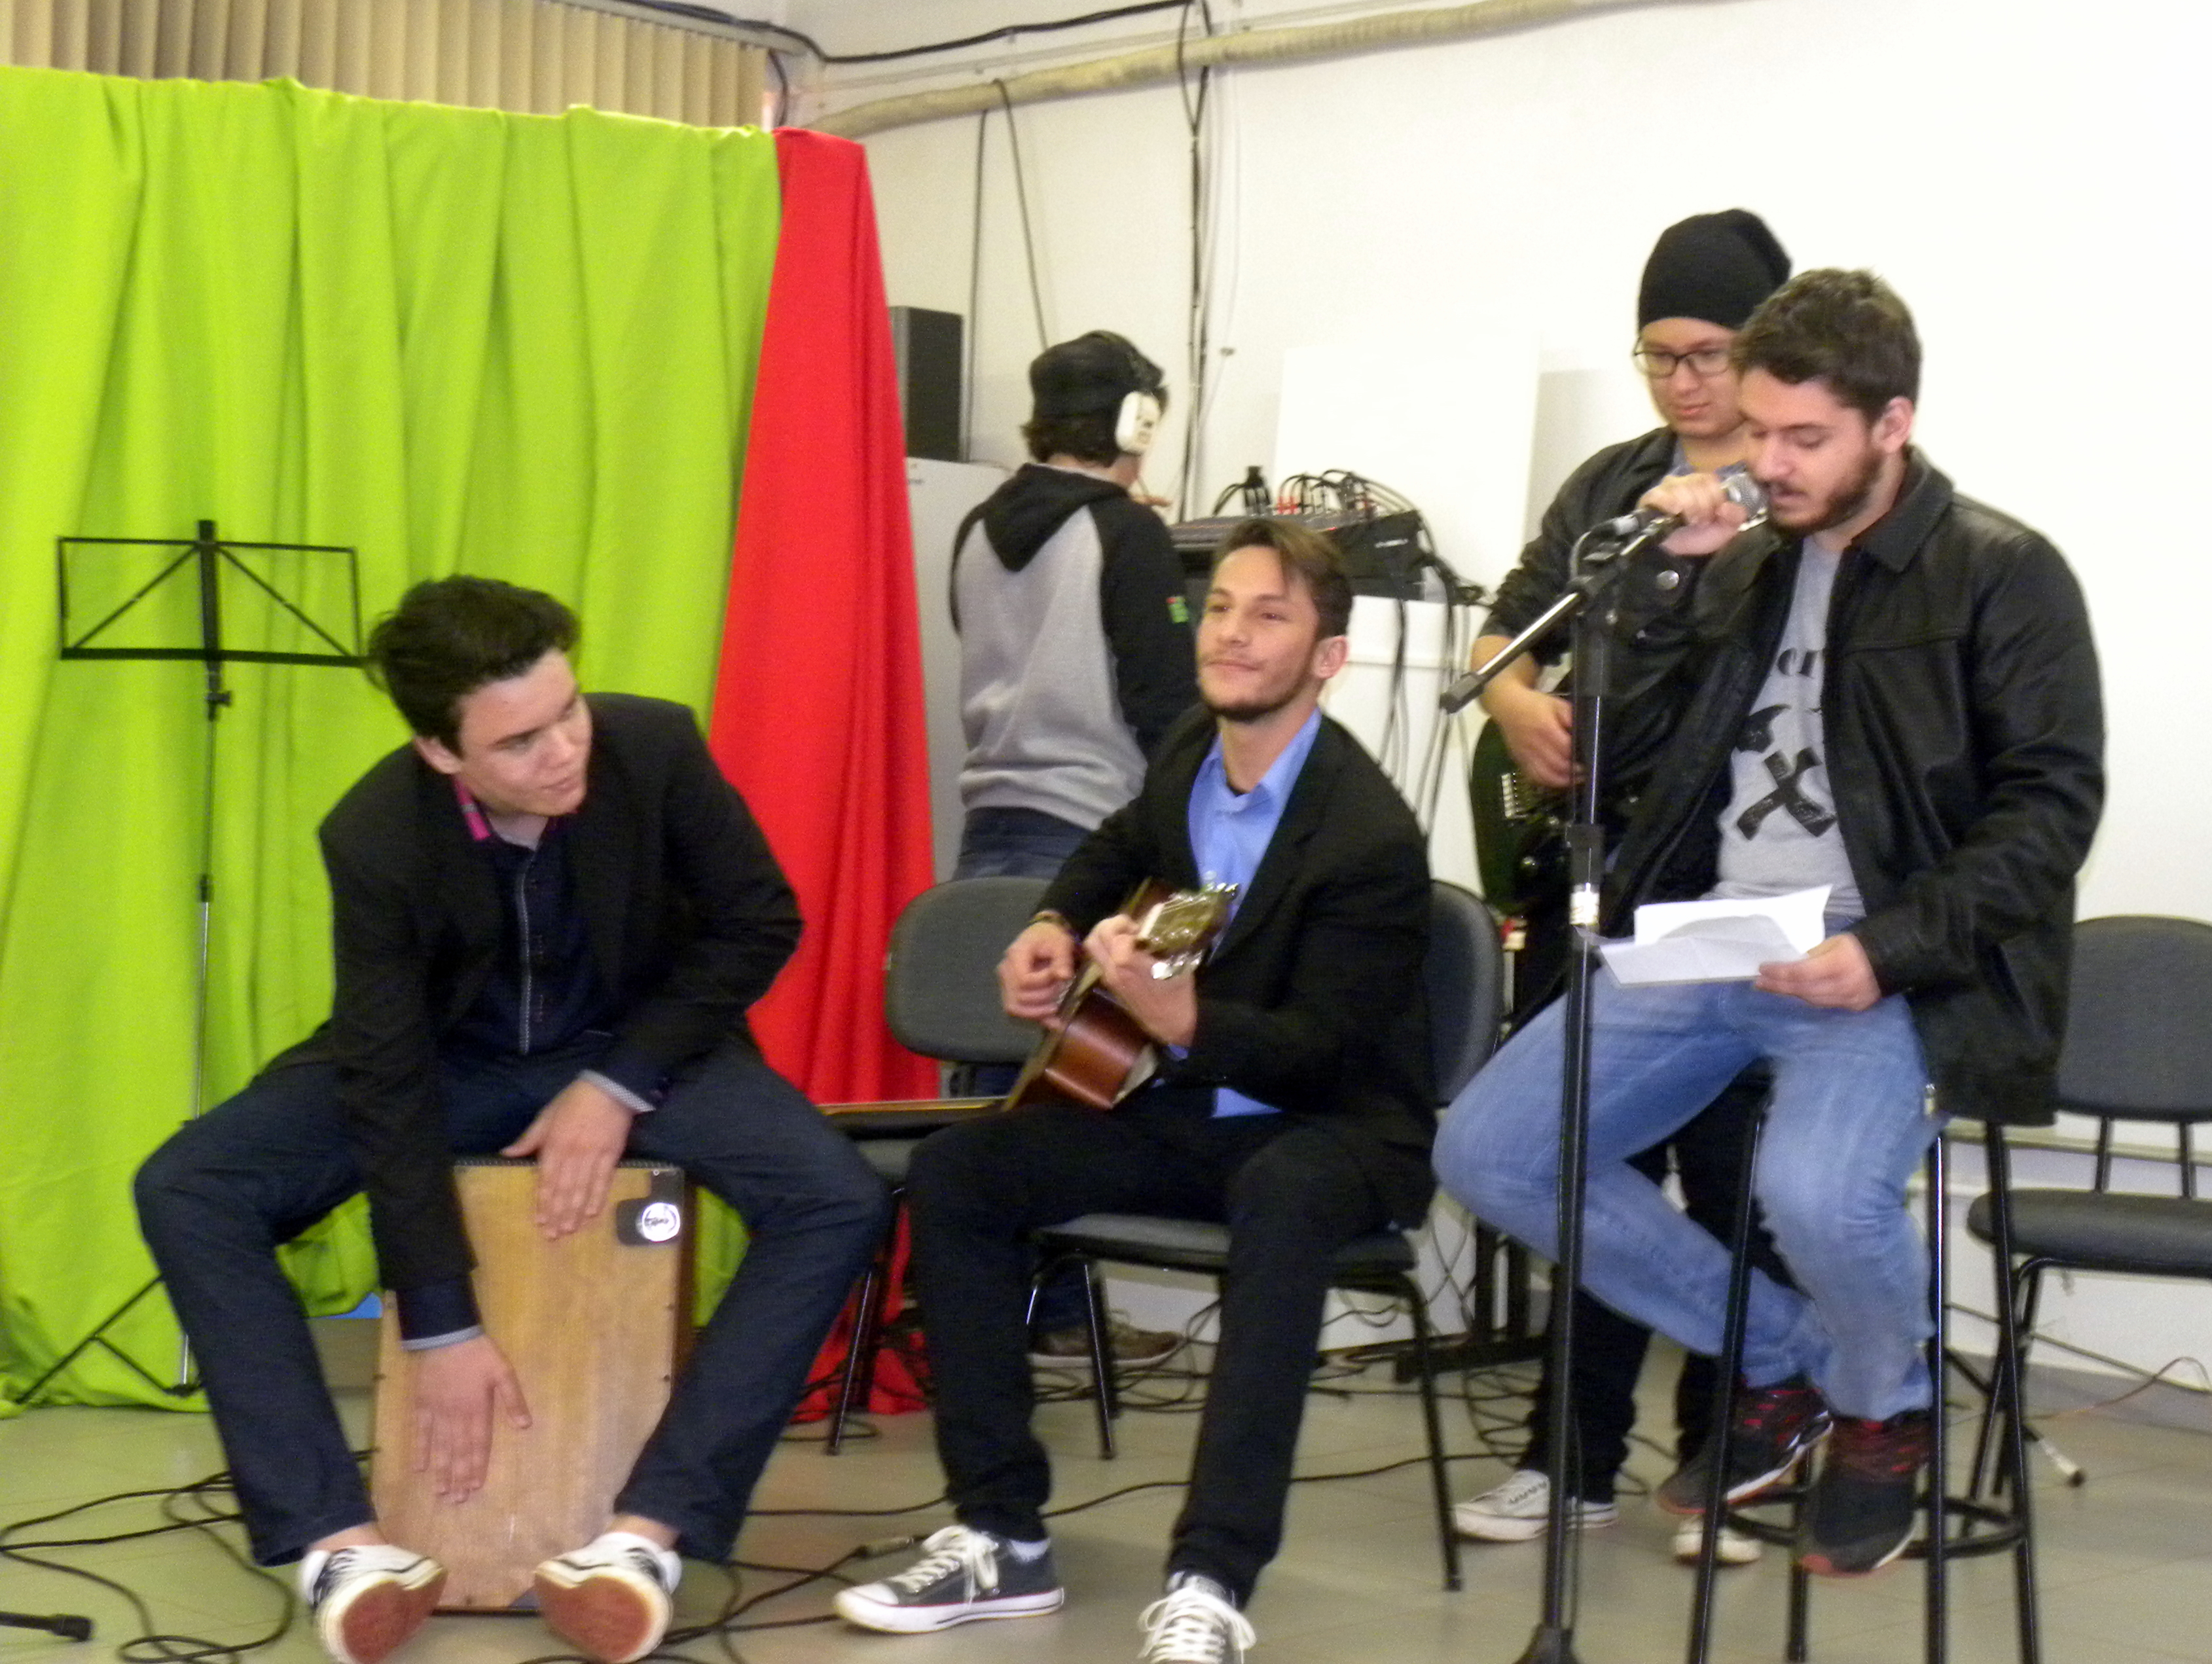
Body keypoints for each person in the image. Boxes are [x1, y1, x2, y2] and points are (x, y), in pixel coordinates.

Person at [1435, 270, 2103, 1578]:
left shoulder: (1999, 572)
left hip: (1882, 953)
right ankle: (1792, 1357)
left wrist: (1888, 950)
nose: (1770, 462)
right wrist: (1659, 591)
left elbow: (2050, 805)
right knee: (1494, 1150)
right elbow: (1622, 751)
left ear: (1891, 424)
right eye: (1757, 431)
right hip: (1717, 930)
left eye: (1806, 437)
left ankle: (1885, 1407)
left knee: (1810, 1191)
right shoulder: (1739, 562)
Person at [134, 579, 888, 1664]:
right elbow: (388, 1077)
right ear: (442, 753)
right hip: (452, 1060)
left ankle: (646, 1539)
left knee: (836, 1195)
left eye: (567, 710)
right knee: (189, 1184)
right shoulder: (376, 832)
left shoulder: (654, 747)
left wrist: (618, 1083)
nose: (565, 749)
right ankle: (339, 1547)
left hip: (633, 1043)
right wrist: (440, 1320)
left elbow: (757, 919)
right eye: (521, 741)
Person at [835, 520, 1433, 1663]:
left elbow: (1327, 1050)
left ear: (1328, 658)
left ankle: (1212, 1575)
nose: (1231, 634)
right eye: (1221, 607)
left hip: (1337, 1130)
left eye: (1269, 615)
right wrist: (1053, 923)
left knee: (1286, 1195)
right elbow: (1118, 843)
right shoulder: (1189, 753)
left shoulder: (1367, 836)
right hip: (1195, 1115)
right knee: (961, 1171)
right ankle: (1001, 1532)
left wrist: (1183, 1020)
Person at [1456, 209, 1792, 1566]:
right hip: (1595, 869)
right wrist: (1511, 701)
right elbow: (1506, 620)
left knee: (1735, 1180)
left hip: (1732, 883)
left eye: (1708, 353)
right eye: (1658, 355)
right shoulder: (1613, 482)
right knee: (1583, 1166)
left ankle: (1731, 1460)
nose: (1682, 381)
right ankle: (1570, 1458)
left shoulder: (1795, 494)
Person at [951, 328, 1200, 1367]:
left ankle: (980, 1314)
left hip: (987, 823)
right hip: (1089, 827)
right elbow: (1166, 703)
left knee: (989, 1078)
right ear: (1137, 420)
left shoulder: (976, 528)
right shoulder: (1124, 533)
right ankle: (1053, 1315)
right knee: (1070, 1091)